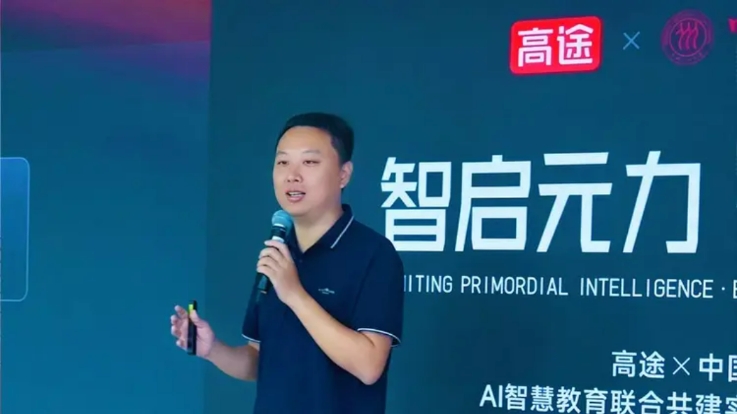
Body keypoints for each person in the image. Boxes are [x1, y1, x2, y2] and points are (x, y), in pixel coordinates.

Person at [170, 112, 405, 414]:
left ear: (344, 174)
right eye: (282, 162)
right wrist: (213, 349)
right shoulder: (278, 251)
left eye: (309, 162)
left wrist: (294, 294)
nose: (292, 175)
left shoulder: (374, 254)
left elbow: (368, 366)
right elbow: (258, 360)